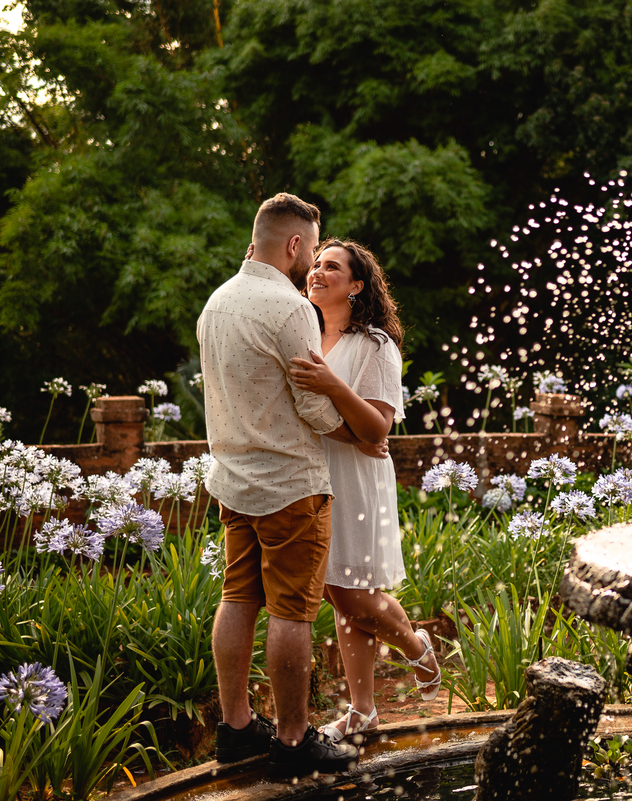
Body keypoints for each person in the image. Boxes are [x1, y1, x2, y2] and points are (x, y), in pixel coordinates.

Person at [199, 194, 362, 779]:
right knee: (293, 612)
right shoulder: (290, 308)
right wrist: (361, 428)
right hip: (291, 486)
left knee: (238, 597)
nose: (312, 261)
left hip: (233, 481)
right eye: (312, 249)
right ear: (295, 245)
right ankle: (293, 743)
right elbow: (315, 409)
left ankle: (236, 729)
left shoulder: (218, 302)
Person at [288, 239, 441, 746]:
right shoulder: (302, 334)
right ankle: (363, 712)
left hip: (355, 476)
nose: (318, 271)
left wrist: (332, 386)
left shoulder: (376, 344)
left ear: (356, 285)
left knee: (355, 592)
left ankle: (417, 646)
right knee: (336, 592)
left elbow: (376, 430)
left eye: (332, 266)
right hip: (309, 473)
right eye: (315, 264)